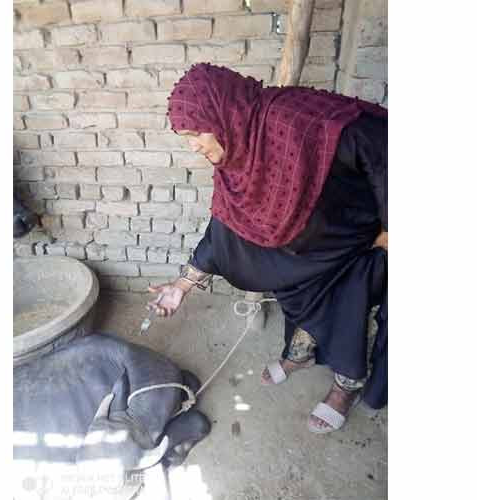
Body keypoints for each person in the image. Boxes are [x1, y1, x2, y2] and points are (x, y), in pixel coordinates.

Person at [148, 63, 387, 434]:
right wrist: (182, 285)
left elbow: (381, 144)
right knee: (286, 279)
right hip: (301, 243)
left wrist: (390, 226)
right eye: (186, 137)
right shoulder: (236, 148)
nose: (192, 145)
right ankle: (301, 353)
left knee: (346, 296)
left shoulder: (294, 120)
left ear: (223, 113)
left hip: (351, 234)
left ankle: (347, 383)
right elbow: (225, 223)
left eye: (196, 133)